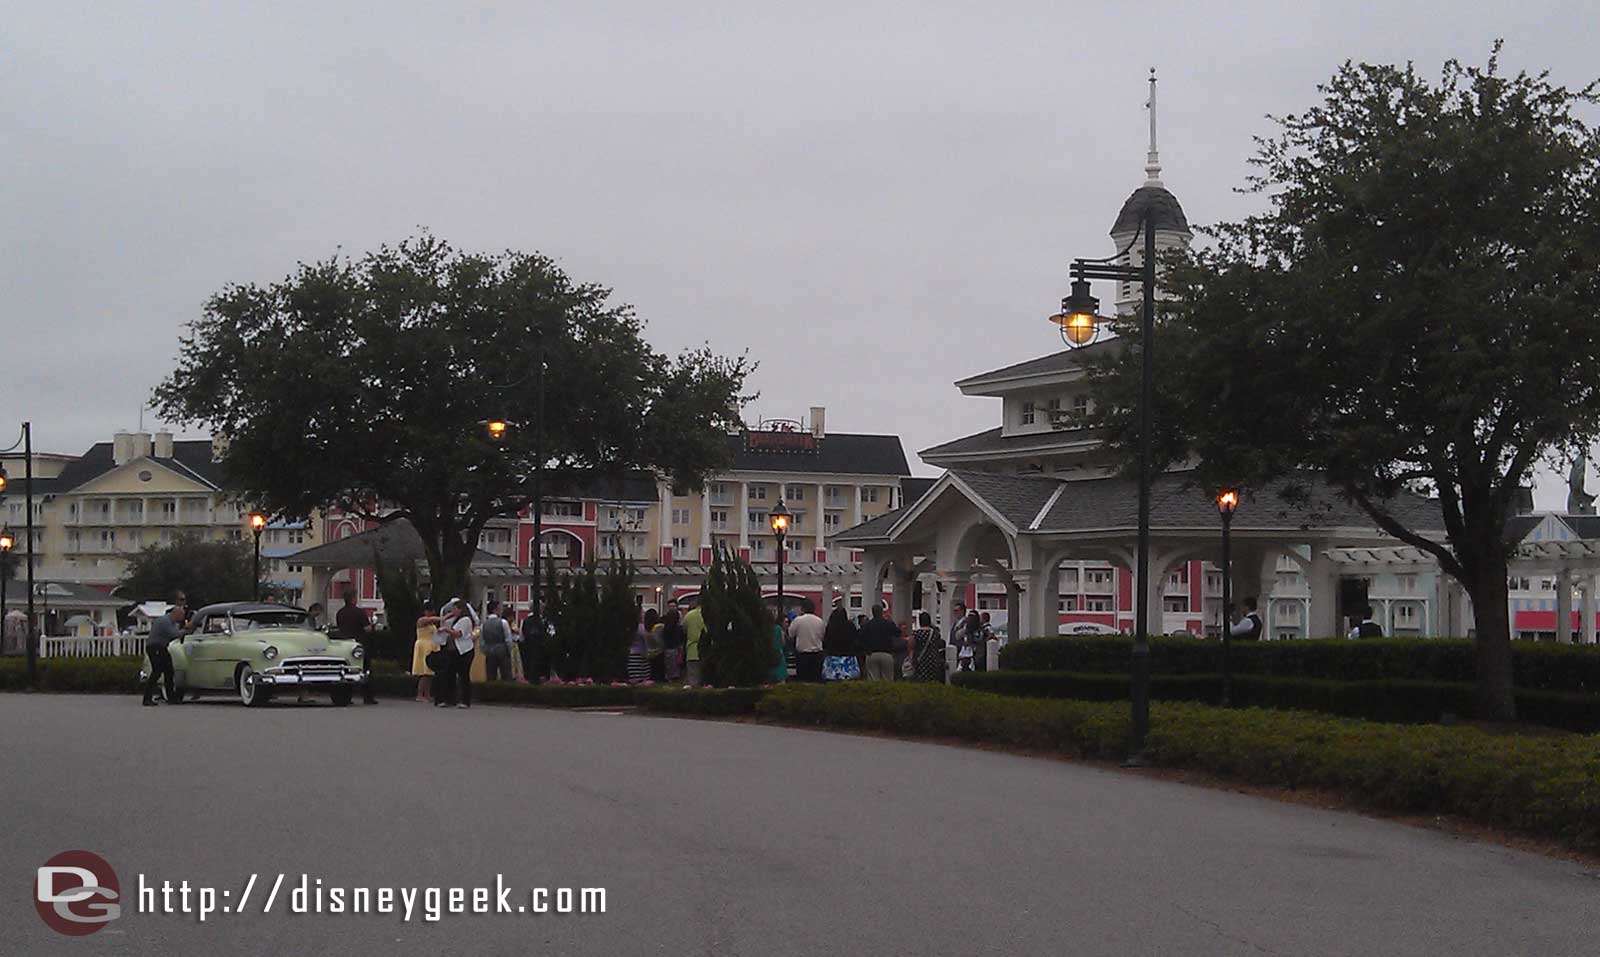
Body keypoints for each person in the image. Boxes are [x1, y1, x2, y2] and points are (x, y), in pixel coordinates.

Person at [334, 588, 378, 704]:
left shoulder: (340, 612)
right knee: (365, 669)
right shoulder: (359, 612)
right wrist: (373, 626)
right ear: (354, 598)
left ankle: (346, 696)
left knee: (346, 669)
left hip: (344, 644)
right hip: (358, 644)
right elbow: (367, 629)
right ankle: (367, 696)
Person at [142, 601, 187, 706]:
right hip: (156, 647)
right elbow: (174, 634)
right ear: (176, 614)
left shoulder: (169, 621)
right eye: (181, 616)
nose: (181, 619)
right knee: (157, 672)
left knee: (169, 671)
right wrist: (185, 630)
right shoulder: (165, 621)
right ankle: (147, 698)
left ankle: (171, 697)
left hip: (160, 647)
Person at [438, 600, 477, 708]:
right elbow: (444, 621)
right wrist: (447, 616)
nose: (453, 611)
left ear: (461, 609)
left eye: (455, 609)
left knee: (463, 675)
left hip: (464, 650)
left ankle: (465, 700)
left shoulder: (465, 620)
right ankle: (449, 698)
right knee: (449, 674)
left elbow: (458, 634)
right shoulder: (455, 620)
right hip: (454, 650)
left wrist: (446, 630)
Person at [410, 602, 444, 702]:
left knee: (430, 673)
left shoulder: (432, 623)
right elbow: (430, 619)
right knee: (424, 673)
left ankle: (427, 694)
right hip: (423, 645)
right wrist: (444, 617)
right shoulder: (421, 620)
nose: (432, 613)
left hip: (431, 645)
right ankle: (420, 694)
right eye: (430, 611)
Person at [858, 602, 900, 681]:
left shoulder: (867, 625)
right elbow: (898, 633)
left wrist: (866, 649)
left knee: (873, 680)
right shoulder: (888, 623)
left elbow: (860, 639)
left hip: (872, 654)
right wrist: (891, 621)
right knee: (887, 680)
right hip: (886, 654)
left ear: (872, 612)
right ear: (881, 612)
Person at [821, 603, 860, 681]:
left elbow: (825, 641)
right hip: (848, 658)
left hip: (832, 657)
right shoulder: (850, 626)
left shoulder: (831, 626)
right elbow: (855, 640)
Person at [789, 606, 827, 682]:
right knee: (816, 679)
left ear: (803, 609)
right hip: (817, 654)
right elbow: (823, 636)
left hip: (802, 654)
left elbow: (791, 634)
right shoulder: (820, 621)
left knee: (803, 680)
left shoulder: (798, 620)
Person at [480, 600, 514, 682]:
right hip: (502, 650)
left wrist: (486, 651)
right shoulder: (503, 622)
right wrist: (508, 649)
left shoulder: (483, 625)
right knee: (506, 675)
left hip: (490, 651)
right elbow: (508, 639)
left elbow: (482, 642)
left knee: (491, 676)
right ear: (495, 610)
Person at [910, 611, 945, 683]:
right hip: (934, 658)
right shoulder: (935, 633)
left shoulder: (917, 633)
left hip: (921, 659)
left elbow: (911, 645)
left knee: (922, 679)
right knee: (933, 679)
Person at [682, 602, 706, 686]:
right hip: (706, 650)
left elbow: (684, 630)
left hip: (691, 650)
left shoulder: (689, 615)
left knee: (693, 681)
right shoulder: (709, 614)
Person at [659, 608, 686, 682]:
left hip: (667, 651)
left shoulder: (665, 628)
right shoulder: (678, 629)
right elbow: (680, 641)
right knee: (677, 672)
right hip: (676, 651)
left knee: (669, 672)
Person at [627, 606, 651, 684]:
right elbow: (646, 642)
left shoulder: (629, 628)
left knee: (633, 679)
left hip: (631, 655)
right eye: (642, 613)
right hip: (640, 656)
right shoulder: (641, 628)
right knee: (642, 681)